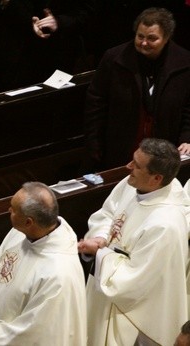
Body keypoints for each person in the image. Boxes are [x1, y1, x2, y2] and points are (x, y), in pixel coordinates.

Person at [78, 138, 189, 345]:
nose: (128, 167)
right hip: (102, 291)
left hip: (129, 316)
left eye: (137, 165)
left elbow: (134, 282)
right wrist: (102, 237)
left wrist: (99, 253)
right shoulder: (132, 184)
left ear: (156, 178)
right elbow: (108, 213)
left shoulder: (166, 225)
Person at [0, 182, 87, 345]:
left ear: (29, 222)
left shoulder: (59, 273)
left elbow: (36, 332)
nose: (9, 210)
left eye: (13, 209)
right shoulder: (20, 233)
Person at [83, 7, 190, 172]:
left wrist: (187, 139)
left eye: (152, 38)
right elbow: (96, 102)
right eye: (140, 36)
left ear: (167, 38)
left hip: (165, 150)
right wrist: (94, 141)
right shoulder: (114, 58)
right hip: (121, 147)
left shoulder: (184, 63)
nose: (144, 43)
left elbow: (188, 108)